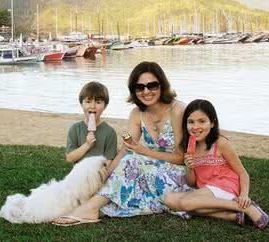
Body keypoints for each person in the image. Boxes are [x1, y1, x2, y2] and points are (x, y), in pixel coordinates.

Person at [53, 61, 191, 226]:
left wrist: (144, 152)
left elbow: (182, 158)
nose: (146, 91)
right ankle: (96, 204)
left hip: (178, 175)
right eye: (139, 87)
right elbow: (126, 148)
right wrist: (105, 174)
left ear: (162, 85)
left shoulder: (177, 109)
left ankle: (90, 208)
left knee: (135, 158)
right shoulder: (137, 113)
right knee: (130, 159)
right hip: (149, 170)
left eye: (152, 85)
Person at [163, 99, 269, 229]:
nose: (195, 127)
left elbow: (243, 173)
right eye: (191, 122)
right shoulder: (189, 148)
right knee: (169, 199)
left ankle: (247, 208)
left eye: (202, 121)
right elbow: (192, 183)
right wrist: (190, 168)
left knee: (185, 203)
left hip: (225, 186)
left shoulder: (220, 143)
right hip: (206, 190)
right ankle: (234, 216)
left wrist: (244, 195)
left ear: (212, 123)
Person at [65, 81, 117, 163]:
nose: (92, 106)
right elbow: (70, 158)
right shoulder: (75, 129)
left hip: (99, 173)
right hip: (79, 173)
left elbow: (109, 161)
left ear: (105, 106)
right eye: (88, 102)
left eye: (98, 102)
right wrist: (87, 145)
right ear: (81, 104)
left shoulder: (110, 132)